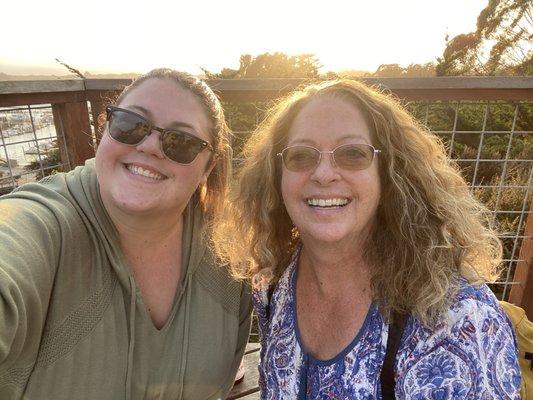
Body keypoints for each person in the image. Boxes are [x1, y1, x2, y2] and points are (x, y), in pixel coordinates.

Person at [214, 79, 522, 399]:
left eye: (352, 154)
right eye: (302, 155)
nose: (323, 173)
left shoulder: (455, 317)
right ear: (277, 176)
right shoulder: (273, 283)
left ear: (388, 173)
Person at [0, 69, 251, 400]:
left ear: (209, 167)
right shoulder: (43, 224)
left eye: (181, 142)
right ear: (105, 127)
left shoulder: (227, 254)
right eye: (131, 124)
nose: (149, 146)